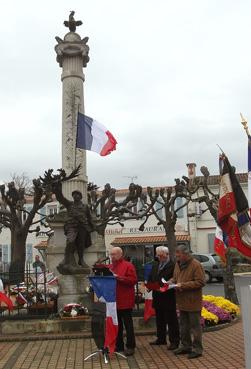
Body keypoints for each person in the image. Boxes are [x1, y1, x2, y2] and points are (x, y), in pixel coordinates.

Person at [171, 244, 205, 359]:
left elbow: (200, 282)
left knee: (195, 326)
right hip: (181, 301)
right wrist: (170, 282)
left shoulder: (196, 265)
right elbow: (175, 278)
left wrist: (183, 285)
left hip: (192, 301)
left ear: (186, 254)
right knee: (183, 325)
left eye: (179, 255)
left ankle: (197, 349)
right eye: (176, 256)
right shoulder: (178, 264)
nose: (177, 258)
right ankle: (186, 346)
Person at [53, 183, 94, 273]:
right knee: (70, 241)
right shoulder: (69, 204)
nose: (75, 196)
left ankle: (81, 260)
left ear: (80, 196)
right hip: (72, 226)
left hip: (82, 227)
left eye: (77, 194)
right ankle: (66, 259)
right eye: (74, 194)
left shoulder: (85, 207)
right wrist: (57, 189)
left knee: (81, 244)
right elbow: (61, 198)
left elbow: (89, 217)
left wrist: (93, 227)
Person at [147, 246, 180, 350]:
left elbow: (175, 279)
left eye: (161, 255)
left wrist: (166, 283)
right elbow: (151, 277)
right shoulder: (155, 264)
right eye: (158, 255)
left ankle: (174, 341)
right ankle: (161, 338)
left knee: (171, 320)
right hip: (157, 295)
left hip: (168, 296)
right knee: (159, 319)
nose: (159, 257)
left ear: (167, 255)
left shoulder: (173, 265)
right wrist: (149, 285)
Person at [109, 247, 137, 356]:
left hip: (125, 300)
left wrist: (119, 278)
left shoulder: (128, 265)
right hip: (114, 300)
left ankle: (130, 346)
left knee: (128, 325)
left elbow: (133, 280)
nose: (112, 257)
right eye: (111, 254)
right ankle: (119, 345)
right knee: (118, 324)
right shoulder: (110, 267)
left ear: (120, 254)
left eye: (114, 254)